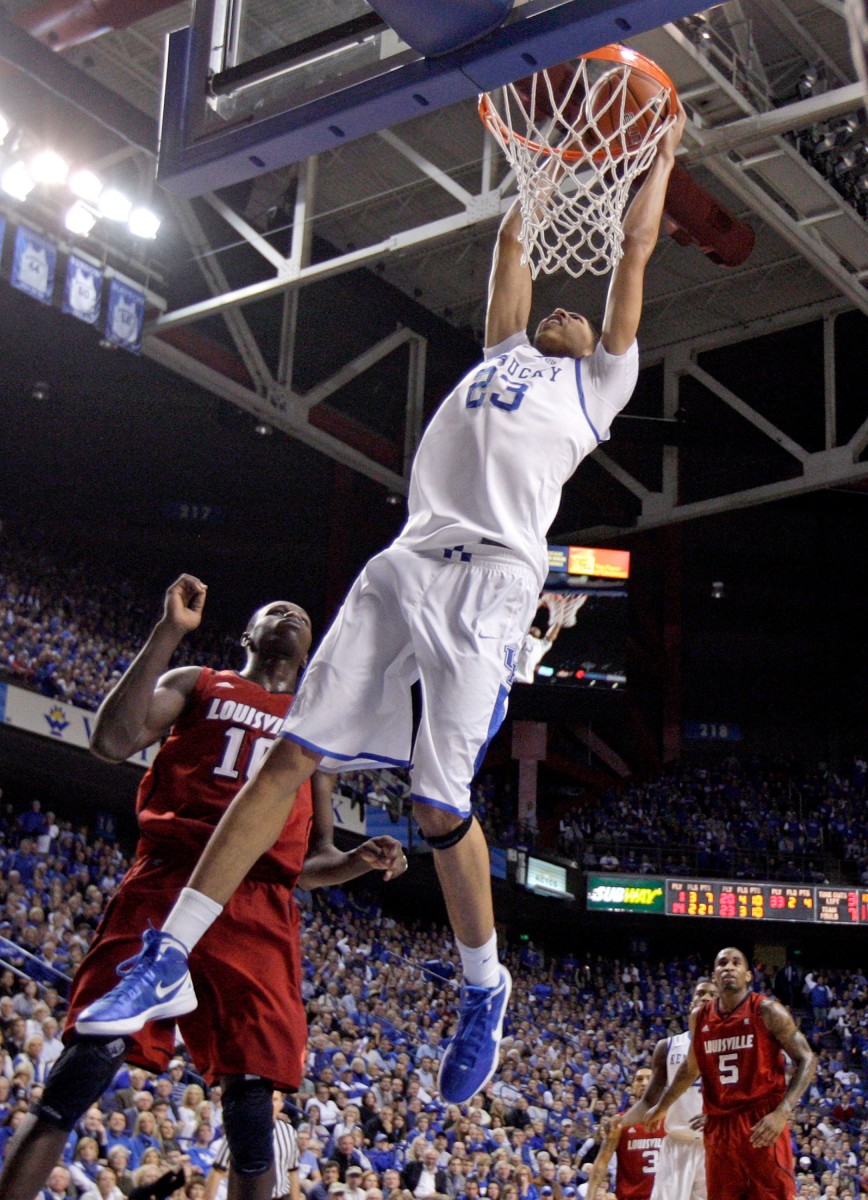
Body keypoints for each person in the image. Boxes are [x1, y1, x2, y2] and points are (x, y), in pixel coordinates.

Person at [74, 103, 688, 1106]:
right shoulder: (498, 357)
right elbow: (512, 242)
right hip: (404, 562)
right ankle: (166, 952)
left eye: (581, 320)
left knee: (439, 804)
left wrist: (653, 157)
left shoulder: (594, 388)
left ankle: (484, 988)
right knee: (290, 754)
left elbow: (632, 251)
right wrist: (537, 171)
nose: (562, 310)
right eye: (550, 305)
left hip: (490, 580)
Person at [0, 576, 405, 1200]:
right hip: (169, 880)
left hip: (257, 905)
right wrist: (169, 632)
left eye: (299, 612)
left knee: (251, 1111)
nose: (289, 610)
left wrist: (355, 861)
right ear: (251, 635)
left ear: (308, 654)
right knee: (85, 1065)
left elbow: (313, 857)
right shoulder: (199, 682)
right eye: (274, 605)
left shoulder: (312, 734)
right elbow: (110, 740)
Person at [646, 947, 816, 1200]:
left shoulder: (767, 1010)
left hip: (761, 1119)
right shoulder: (700, 1017)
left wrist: (782, 1112)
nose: (728, 967)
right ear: (714, 975)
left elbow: (807, 1058)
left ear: (748, 975)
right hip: (719, 1126)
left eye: (736, 963)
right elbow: (691, 1068)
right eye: (722, 963)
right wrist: (663, 1105)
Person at [612, 978, 719, 1200]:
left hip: (714, 1146)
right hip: (677, 1145)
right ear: (691, 1004)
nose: (706, 997)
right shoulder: (667, 1047)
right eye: (700, 993)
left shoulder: (730, 1046)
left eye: (712, 994)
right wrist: (619, 1123)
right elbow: (648, 1101)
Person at [584, 1068, 663, 1200]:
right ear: (632, 1087)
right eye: (639, 1079)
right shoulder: (620, 1122)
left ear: (658, 1083)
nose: (644, 1083)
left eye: (649, 1078)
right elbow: (601, 1163)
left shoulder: (671, 1119)